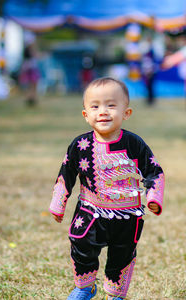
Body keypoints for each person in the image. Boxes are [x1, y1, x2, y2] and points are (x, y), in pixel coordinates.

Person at [49, 77, 164, 300]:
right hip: (90, 210)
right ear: (85, 115)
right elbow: (66, 174)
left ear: (126, 113)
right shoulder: (80, 145)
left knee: (121, 256)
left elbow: (155, 170)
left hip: (127, 215)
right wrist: (58, 203)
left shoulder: (134, 144)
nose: (103, 111)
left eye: (111, 105)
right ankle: (85, 287)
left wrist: (154, 196)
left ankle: (115, 294)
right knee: (81, 245)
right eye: (95, 106)